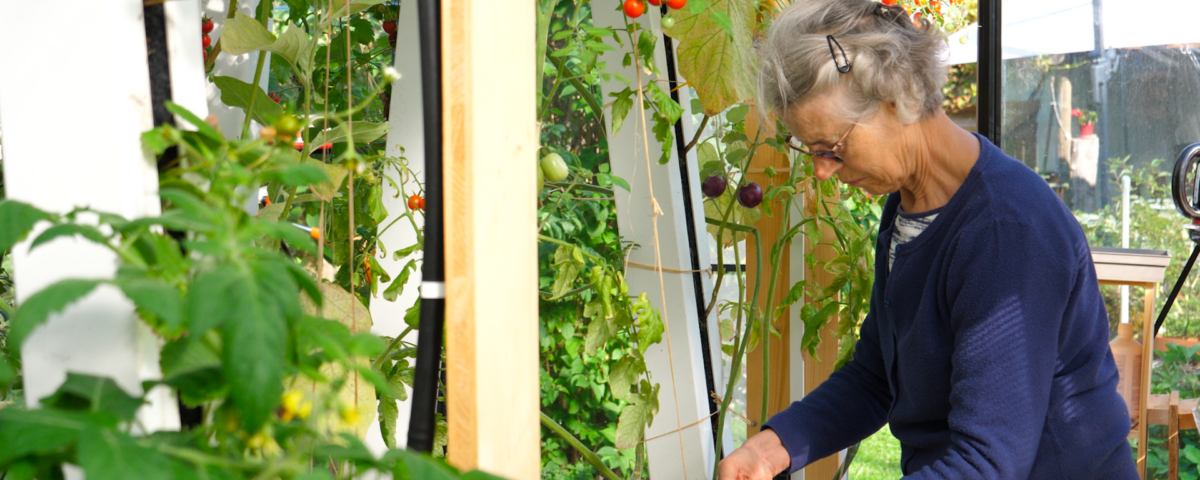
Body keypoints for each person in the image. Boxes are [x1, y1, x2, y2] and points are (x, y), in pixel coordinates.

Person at [717, 0, 1138, 478]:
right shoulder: (911, 206)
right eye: (811, 152)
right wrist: (770, 450)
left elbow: (987, 464)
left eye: (832, 148)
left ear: (899, 98)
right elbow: (878, 375)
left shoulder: (1005, 232)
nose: (821, 171)